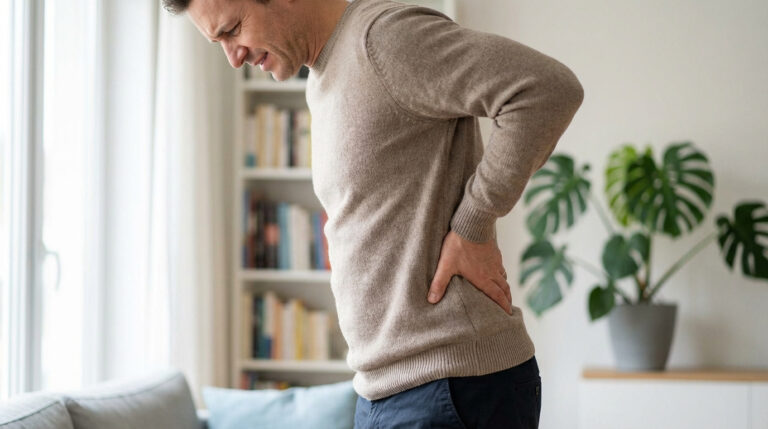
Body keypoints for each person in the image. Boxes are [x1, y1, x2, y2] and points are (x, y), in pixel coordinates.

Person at [164, 0, 584, 427]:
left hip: (450, 381)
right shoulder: (325, 73)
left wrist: (473, 225)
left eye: (233, 30)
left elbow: (547, 89)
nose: (233, 57)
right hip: (389, 389)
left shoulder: (386, 40)